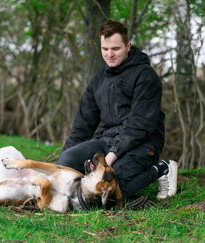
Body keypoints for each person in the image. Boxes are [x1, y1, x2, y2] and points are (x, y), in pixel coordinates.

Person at [57, 19, 177, 200]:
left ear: (128, 46)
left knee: (111, 189)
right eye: (105, 49)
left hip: (143, 142)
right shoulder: (98, 79)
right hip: (106, 140)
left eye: (115, 49)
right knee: (67, 162)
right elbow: (83, 125)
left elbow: (140, 125)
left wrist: (109, 159)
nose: (109, 54)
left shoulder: (145, 76)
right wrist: (59, 168)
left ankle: (162, 170)